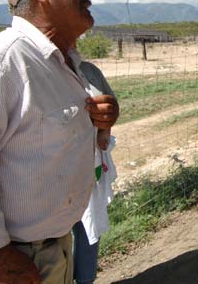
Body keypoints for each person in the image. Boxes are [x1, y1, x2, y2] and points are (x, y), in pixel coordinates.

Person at [0, 0, 119, 284]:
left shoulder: (65, 62)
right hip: (17, 259)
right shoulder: (1, 65)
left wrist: (102, 121)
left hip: (56, 247)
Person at [70, 46, 118, 284]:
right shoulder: (36, 70)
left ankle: (85, 279)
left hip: (90, 167)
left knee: (88, 230)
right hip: (52, 178)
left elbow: (111, 105)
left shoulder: (89, 71)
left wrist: (104, 132)